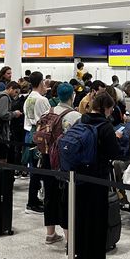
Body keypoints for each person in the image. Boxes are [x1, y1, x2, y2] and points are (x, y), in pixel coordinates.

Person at [74, 92, 122, 259]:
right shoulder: (105, 126)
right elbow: (114, 153)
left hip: (79, 176)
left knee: (82, 217)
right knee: (98, 219)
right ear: (106, 108)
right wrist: (116, 138)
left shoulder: (82, 120)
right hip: (98, 177)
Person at [48, 83, 82, 242]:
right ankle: (69, 240)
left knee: (50, 195)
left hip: (47, 158)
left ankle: (50, 233)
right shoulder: (75, 116)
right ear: (72, 96)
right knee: (65, 199)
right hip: (64, 161)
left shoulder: (49, 111)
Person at [24, 72, 51, 214]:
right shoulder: (42, 100)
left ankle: (32, 199)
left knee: (33, 168)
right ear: (41, 82)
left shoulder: (28, 98)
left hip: (30, 134)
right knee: (39, 169)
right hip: (41, 136)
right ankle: (33, 201)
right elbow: (48, 119)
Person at [0, 81, 21, 162]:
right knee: (2, 158)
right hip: (1, 131)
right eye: (15, 92)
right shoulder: (5, 97)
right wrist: (14, 114)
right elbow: (3, 114)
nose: (16, 95)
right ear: (10, 88)